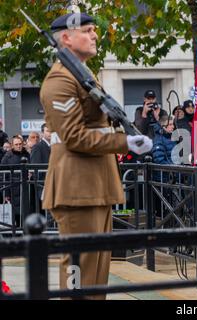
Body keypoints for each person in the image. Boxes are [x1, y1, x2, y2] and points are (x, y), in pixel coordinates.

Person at [39, 12, 152, 300]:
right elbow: (74, 136)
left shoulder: (84, 75)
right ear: (66, 37)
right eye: (88, 30)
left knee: (97, 274)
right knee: (79, 270)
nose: (95, 35)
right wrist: (124, 143)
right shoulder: (59, 80)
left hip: (96, 185)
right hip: (77, 187)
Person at [1, 135, 30, 226]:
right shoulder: (7, 157)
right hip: (12, 190)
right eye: (16, 144)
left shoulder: (27, 154)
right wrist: (6, 194)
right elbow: (2, 176)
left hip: (26, 189)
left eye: (20, 144)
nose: (18, 146)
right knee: (15, 217)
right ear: (12, 145)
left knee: (26, 215)